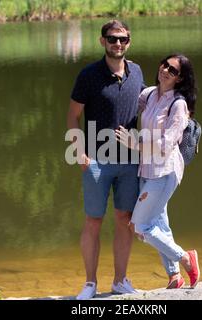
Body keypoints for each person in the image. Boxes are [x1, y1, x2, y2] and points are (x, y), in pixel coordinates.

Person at [67, 20, 145, 300]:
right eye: (112, 39)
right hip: (96, 161)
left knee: (124, 219)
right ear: (102, 41)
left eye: (123, 39)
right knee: (93, 221)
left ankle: (120, 281)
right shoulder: (89, 75)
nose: (118, 44)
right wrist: (79, 153)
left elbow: (147, 111)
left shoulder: (136, 72)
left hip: (129, 161)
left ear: (129, 41)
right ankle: (90, 283)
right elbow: (73, 116)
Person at [116, 54, 200, 289]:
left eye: (172, 70)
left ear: (180, 78)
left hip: (164, 172)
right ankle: (175, 275)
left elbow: (167, 143)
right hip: (146, 169)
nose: (165, 70)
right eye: (164, 65)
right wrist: (125, 67)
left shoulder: (179, 104)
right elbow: (131, 96)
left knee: (140, 226)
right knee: (159, 222)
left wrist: (135, 145)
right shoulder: (151, 94)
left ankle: (185, 257)